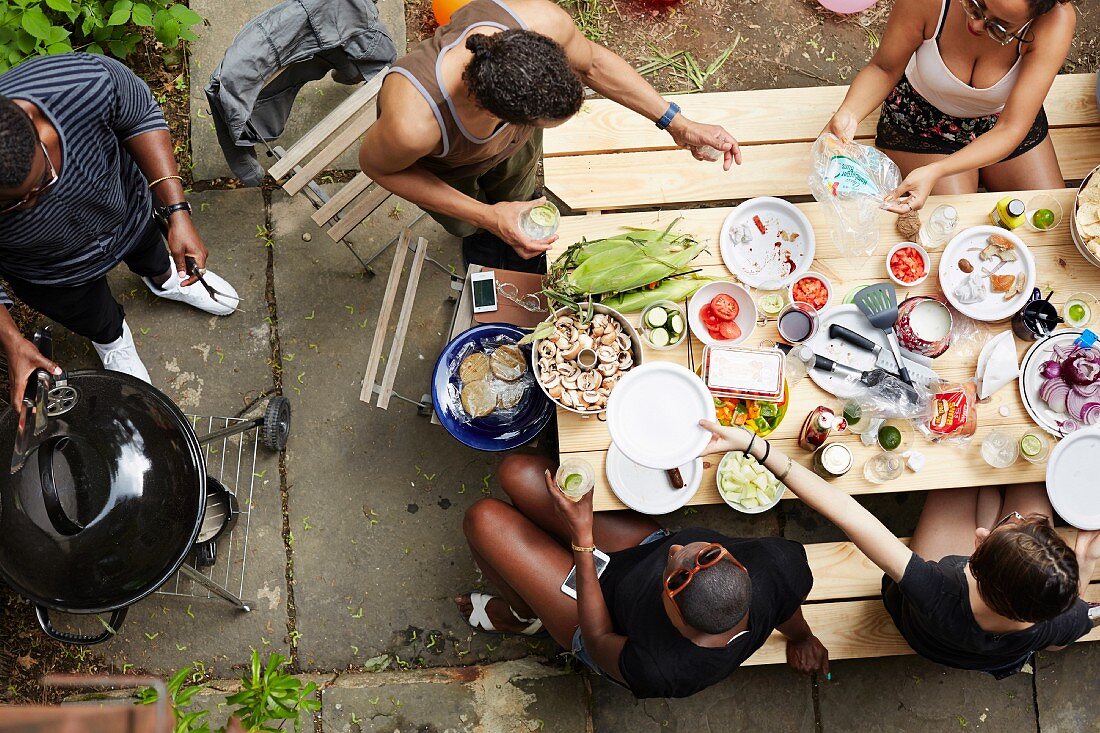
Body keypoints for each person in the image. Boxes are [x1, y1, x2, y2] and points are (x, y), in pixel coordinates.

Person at [359, 0, 740, 274]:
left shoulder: (539, 19)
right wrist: (489, 218)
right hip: (447, 164)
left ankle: (512, 219)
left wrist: (676, 122)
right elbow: (381, 169)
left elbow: (591, 63)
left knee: (518, 186)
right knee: (465, 222)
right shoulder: (413, 124)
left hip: (509, 145)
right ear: (496, 115)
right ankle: (483, 237)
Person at [699, 421, 1100, 678]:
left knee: (958, 472)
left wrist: (756, 446)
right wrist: (1082, 567)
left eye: (986, 538)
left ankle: (988, 500)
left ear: (976, 554)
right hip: (982, 643)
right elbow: (1063, 638)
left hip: (921, 627)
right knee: (1024, 478)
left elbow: (849, 515)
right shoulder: (1055, 618)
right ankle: (991, 501)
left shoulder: (937, 586)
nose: (981, 532)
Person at [455, 454, 829, 699]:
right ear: (740, 568)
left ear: (677, 619)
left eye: (676, 578)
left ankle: (524, 616)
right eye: (710, 553)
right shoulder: (776, 564)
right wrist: (804, 637)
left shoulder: (663, 669)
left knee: (483, 518)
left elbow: (600, 640)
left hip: (602, 621)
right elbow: (784, 603)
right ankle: (543, 572)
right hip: (636, 556)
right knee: (517, 473)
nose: (675, 551)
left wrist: (582, 540)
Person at [0, 52, 239, 406]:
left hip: (126, 212)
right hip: (50, 271)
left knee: (151, 250)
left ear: (35, 120)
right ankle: (112, 341)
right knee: (89, 313)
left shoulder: (82, 82)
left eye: (43, 180)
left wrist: (177, 213)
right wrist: (12, 341)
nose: (35, 202)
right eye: (15, 204)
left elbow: (140, 115)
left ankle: (166, 279)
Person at [825, 0, 1075, 214]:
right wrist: (850, 112)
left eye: (1000, 27)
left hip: (1001, 121)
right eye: (976, 5)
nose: (976, 25)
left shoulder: (1056, 21)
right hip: (922, 119)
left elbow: (1011, 128)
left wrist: (938, 170)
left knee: (1049, 216)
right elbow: (884, 68)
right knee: (952, 230)